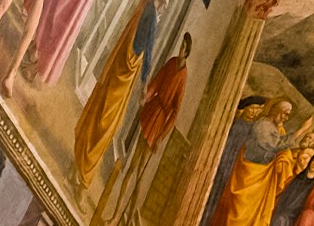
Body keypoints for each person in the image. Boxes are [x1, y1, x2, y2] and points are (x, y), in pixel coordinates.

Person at [73, 0, 168, 186]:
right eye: (164, 9)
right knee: (107, 122)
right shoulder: (151, 16)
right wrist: (144, 83)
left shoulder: (146, 1)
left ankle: (78, 163)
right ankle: (82, 174)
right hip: (123, 74)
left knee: (101, 112)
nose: (162, 13)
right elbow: (148, 52)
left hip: (119, 66)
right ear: (162, 5)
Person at [104, 33, 191, 222]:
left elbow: (175, 112)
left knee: (139, 177)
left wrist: (162, 135)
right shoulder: (171, 62)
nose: (181, 49)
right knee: (132, 168)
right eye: (181, 46)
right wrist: (146, 96)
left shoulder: (183, 76)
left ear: (188, 52)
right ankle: (115, 216)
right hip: (150, 113)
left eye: (184, 48)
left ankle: (123, 220)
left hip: (159, 123)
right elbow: (157, 82)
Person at [211, 98, 302, 226]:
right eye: (285, 113)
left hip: (259, 180)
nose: (285, 118)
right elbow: (274, 145)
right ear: (276, 110)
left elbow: (280, 149)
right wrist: (300, 131)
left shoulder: (277, 129)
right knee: (239, 213)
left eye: (288, 115)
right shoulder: (263, 125)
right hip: (249, 175)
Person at [201, 96, 271, 226]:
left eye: (257, 109)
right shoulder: (234, 122)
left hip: (234, 167)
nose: (254, 112)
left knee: (219, 200)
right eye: (252, 108)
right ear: (244, 109)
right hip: (222, 161)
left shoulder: (253, 130)